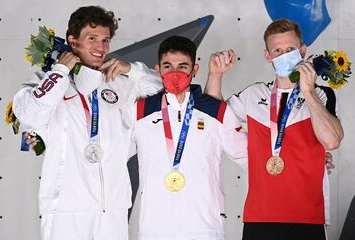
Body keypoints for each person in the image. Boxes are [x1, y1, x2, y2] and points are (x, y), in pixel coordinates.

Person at [13, 6, 162, 240]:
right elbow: (29, 114)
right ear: (73, 43)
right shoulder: (44, 82)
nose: (101, 47)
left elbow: (162, 92)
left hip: (113, 208)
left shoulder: (119, 83)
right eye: (92, 39)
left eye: (105, 40)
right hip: (66, 208)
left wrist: (131, 69)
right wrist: (61, 71)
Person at [206, 19, 344, 240]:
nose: (284, 55)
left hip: (308, 216)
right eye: (277, 51)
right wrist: (215, 75)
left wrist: (307, 90)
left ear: (302, 50)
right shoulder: (254, 95)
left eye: (290, 49)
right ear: (267, 56)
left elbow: (332, 142)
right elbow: (214, 118)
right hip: (260, 216)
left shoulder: (321, 95)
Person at [128, 36, 247, 240]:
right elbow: (113, 154)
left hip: (205, 227)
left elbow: (249, 156)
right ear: (158, 70)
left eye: (182, 67)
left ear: (195, 70)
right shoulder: (139, 111)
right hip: (155, 227)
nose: (175, 73)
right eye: (168, 66)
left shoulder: (216, 111)